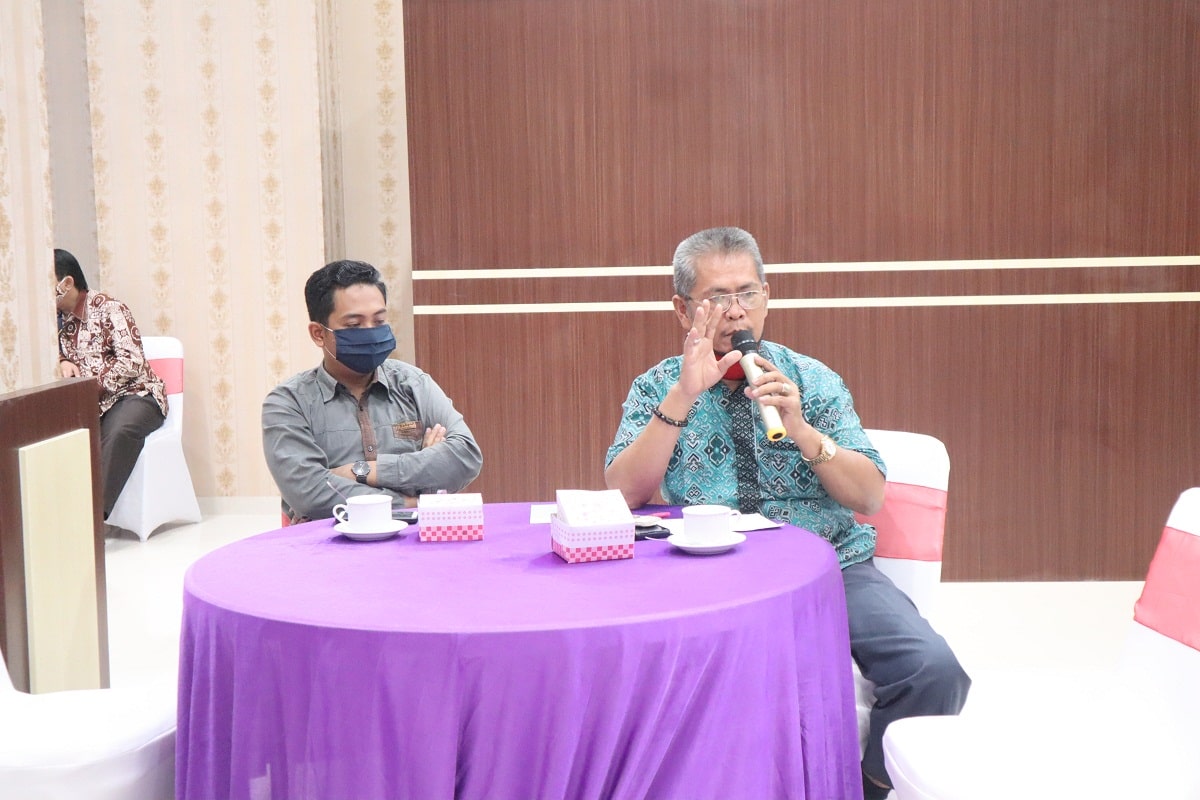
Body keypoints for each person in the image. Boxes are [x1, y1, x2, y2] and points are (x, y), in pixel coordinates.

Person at [604, 227, 969, 798]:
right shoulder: (658, 387)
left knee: (933, 670)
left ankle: (865, 789)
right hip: (709, 571)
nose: (735, 311)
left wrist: (802, 430)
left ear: (767, 298)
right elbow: (624, 493)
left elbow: (870, 496)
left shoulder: (812, 380)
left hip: (829, 567)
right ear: (682, 310)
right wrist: (682, 397)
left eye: (747, 294)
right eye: (716, 297)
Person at [263, 259, 482, 522]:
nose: (370, 333)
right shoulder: (288, 403)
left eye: (379, 321)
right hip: (328, 543)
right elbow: (310, 494)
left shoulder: (413, 384)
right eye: (354, 325)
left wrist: (362, 471)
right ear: (319, 334)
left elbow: (465, 457)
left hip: (412, 539)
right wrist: (412, 500)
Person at [54, 248, 167, 521]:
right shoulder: (54, 321)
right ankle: (58, 519)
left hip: (135, 395)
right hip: (90, 406)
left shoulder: (110, 309)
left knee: (119, 431)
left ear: (66, 283)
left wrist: (89, 389)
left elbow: (132, 362)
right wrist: (61, 360)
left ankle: (92, 520)